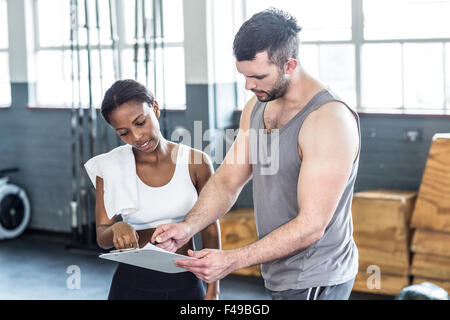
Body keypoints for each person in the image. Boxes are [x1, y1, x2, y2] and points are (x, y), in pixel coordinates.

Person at [151, 8, 360, 300]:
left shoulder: (328, 120)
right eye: (244, 76)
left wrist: (231, 260)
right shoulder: (258, 105)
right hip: (279, 273)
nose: (249, 86)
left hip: (317, 277)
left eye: (258, 76)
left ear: (289, 65)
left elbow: (311, 226)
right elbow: (228, 181)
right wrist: (189, 226)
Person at [84, 79, 220, 300]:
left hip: (186, 281)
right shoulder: (109, 167)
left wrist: (213, 290)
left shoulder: (196, 162)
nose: (136, 137)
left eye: (140, 122)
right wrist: (118, 228)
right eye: (123, 133)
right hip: (130, 285)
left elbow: (210, 227)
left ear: (155, 108)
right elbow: (102, 236)